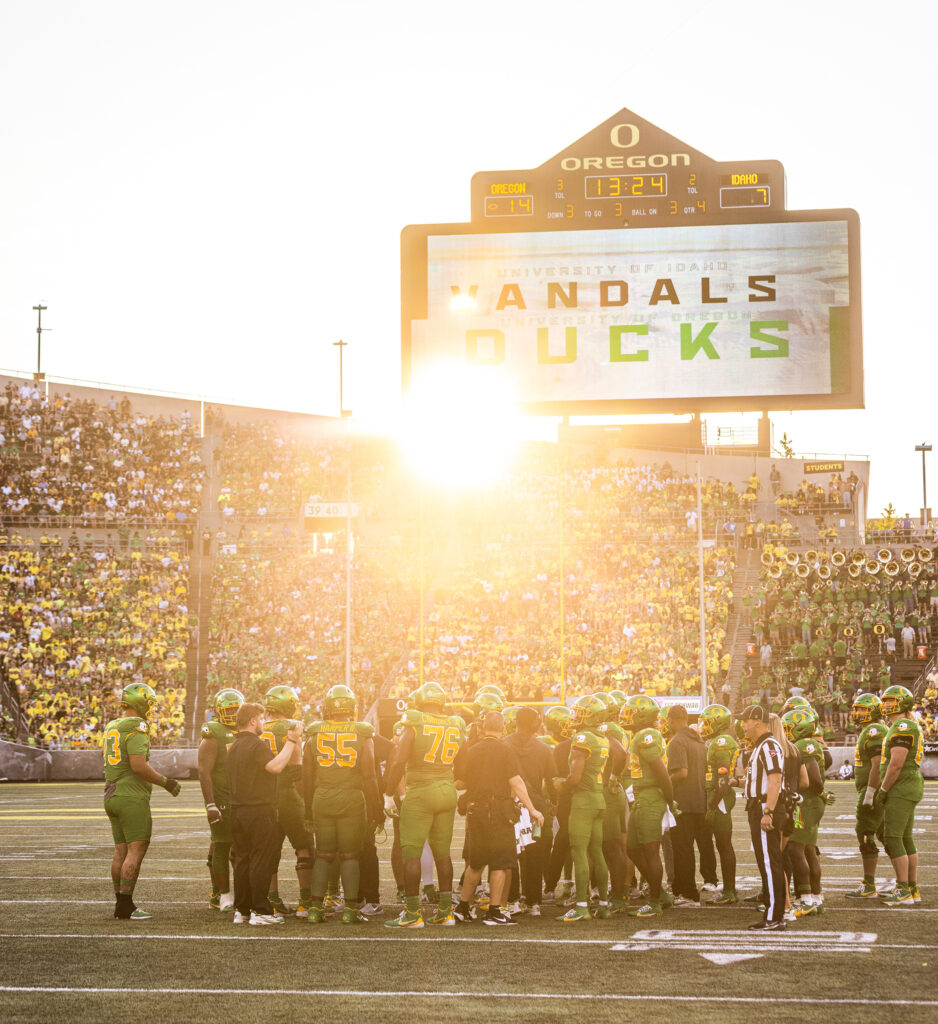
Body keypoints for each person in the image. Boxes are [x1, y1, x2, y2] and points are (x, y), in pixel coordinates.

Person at [383, 681, 466, 929]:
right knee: (443, 854)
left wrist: (388, 793)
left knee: (411, 853)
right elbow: (462, 765)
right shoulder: (455, 723)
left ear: (420, 702)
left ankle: (411, 914)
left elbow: (399, 761)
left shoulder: (415, 721)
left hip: (420, 791)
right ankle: (445, 912)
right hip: (446, 789)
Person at [453, 710, 543, 925]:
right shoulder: (505, 750)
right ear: (503, 728)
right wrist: (532, 809)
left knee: (475, 863)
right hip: (498, 810)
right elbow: (516, 782)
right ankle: (495, 910)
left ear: (483, 728)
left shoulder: (472, 750)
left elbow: (460, 782)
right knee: (501, 863)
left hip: (476, 810)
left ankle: (463, 907)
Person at [103, 682, 182, 920]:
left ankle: (120, 904)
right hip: (131, 796)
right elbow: (138, 765)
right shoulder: (137, 725)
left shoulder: (112, 724)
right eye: (148, 704)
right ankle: (126, 905)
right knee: (136, 849)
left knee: (120, 851)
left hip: (111, 793)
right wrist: (166, 782)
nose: (151, 709)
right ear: (139, 703)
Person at [303, 684, 381, 924]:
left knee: (324, 855)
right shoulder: (362, 733)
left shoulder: (314, 733)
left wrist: (307, 810)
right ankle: (350, 910)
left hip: (322, 798)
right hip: (351, 798)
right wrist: (377, 808)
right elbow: (369, 776)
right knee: (350, 855)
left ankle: (315, 909)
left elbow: (307, 776)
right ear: (352, 707)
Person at [227, 702, 303, 925]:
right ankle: (261, 910)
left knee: (242, 860)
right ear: (252, 720)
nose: (262, 722)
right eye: (260, 718)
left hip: (238, 809)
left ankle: (242, 910)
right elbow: (276, 767)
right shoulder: (255, 744)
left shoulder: (234, 746)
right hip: (258, 810)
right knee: (260, 860)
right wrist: (291, 740)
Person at [554, 694, 615, 922]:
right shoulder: (602, 737)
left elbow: (575, 777)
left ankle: (581, 906)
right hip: (599, 799)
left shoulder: (583, 737)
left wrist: (561, 785)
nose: (576, 716)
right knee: (597, 852)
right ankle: (605, 905)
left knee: (579, 851)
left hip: (584, 800)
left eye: (580, 712)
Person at [260, 685, 313, 917]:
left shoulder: (258, 727)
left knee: (270, 849)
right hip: (288, 794)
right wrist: (306, 801)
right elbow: (296, 769)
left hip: (265, 797)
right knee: (304, 847)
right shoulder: (293, 728)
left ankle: (272, 900)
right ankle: (306, 901)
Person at [621, 694, 674, 919]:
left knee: (651, 851)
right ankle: (659, 893)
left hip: (651, 796)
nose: (625, 715)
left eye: (631, 711)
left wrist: (669, 801)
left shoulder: (646, 735)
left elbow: (661, 771)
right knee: (632, 848)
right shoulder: (641, 735)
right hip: (641, 796)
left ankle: (655, 901)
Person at [502, 704, 556, 916]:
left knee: (511, 853)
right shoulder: (543, 749)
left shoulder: (503, 745)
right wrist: (554, 804)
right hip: (536, 806)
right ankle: (534, 902)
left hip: (510, 806)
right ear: (536, 724)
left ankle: (513, 899)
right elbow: (551, 781)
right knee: (535, 854)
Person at [876, 685, 925, 906]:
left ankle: (903, 889)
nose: (886, 704)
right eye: (884, 701)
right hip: (907, 785)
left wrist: (883, 790)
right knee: (905, 837)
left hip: (901, 786)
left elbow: (896, 764)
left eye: (890, 700)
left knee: (893, 837)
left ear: (903, 702)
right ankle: (911, 888)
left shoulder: (902, 725)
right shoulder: (903, 724)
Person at [197, 688, 245, 911]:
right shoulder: (214, 732)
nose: (233, 715)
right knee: (222, 845)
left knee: (229, 846)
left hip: (244, 797)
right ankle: (223, 894)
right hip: (224, 798)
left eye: (236, 710)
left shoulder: (247, 730)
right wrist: (210, 803)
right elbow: (204, 771)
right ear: (218, 711)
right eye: (229, 710)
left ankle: (219, 892)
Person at [740, 704, 787, 930]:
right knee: (765, 862)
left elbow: (774, 780)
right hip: (757, 806)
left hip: (763, 808)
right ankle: (772, 912)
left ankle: (774, 916)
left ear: (756, 722)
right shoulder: (761, 746)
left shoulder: (768, 745)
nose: (743, 726)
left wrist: (768, 811)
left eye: (745, 721)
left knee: (770, 863)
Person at [781, 707, 829, 917]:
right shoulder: (810, 743)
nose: (785, 732)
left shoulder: (803, 744)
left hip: (806, 803)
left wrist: (808, 793)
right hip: (812, 802)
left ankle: (806, 898)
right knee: (809, 849)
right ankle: (815, 897)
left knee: (795, 849)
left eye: (788, 728)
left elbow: (814, 780)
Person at [845, 693, 887, 899]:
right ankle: (906, 885)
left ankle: (869, 885)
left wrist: (870, 792)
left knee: (865, 834)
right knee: (888, 837)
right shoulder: (871, 730)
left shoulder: (874, 730)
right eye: (857, 708)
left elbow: (878, 765)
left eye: (863, 709)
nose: (858, 712)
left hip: (873, 790)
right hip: (875, 789)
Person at [666, 703, 709, 907]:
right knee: (688, 849)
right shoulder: (699, 740)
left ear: (673, 720)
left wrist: (664, 782)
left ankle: (687, 893)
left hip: (682, 801)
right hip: (699, 800)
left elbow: (681, 772)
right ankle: (687, 890)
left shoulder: (678, 741)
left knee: (682, 849)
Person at [699, 704, 739, 905]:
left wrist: (713, 805)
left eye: (707, 723)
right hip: (718, 797)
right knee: (722, 845)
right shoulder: (717, 741)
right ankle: (729, 888)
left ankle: (730, 890)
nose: (703, 726)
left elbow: (722, 778)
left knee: (724, 845)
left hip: (720, 799)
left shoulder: (722, 742)